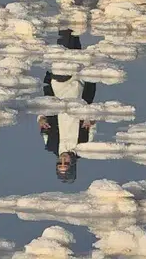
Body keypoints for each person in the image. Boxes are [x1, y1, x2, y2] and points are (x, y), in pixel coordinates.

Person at [38, 30, 97, 183]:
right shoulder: (84, 146)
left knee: (64, 51)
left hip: (58, 88)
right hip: (79, 88)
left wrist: (41, 119)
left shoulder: (51, 145)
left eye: (60, 163)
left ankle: (65, 25)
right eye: (66, 164)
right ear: (73, 164)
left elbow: (43, 118)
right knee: (75, 47)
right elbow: (92, 121)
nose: (63, 160)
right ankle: (73, 24)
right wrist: (89, 120)